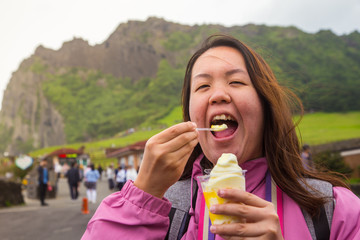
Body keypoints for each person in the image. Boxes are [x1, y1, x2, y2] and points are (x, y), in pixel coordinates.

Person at [82, 35, 360, 239]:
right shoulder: (164, 209)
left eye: (236, 82)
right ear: (190, 114)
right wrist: (142, 198)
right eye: (203, 86)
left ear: (265, 104)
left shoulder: (334, 210)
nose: (218, 95)